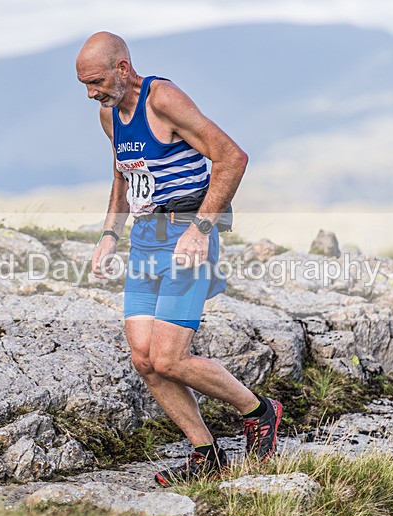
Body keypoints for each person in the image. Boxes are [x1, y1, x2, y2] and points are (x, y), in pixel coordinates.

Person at [76, 31, 282, 486]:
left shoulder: (162, 99)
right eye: (84, 85)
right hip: (145, 239)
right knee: (144, 358)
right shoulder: (109, 115)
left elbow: (232, 157)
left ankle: (259, 411)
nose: (91, 93)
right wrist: (109, 236)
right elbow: (122, 176)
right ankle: (206, 454)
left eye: (96, 82)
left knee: (169, 358)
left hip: (187, 234)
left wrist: (200, 229)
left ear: (122, 69)